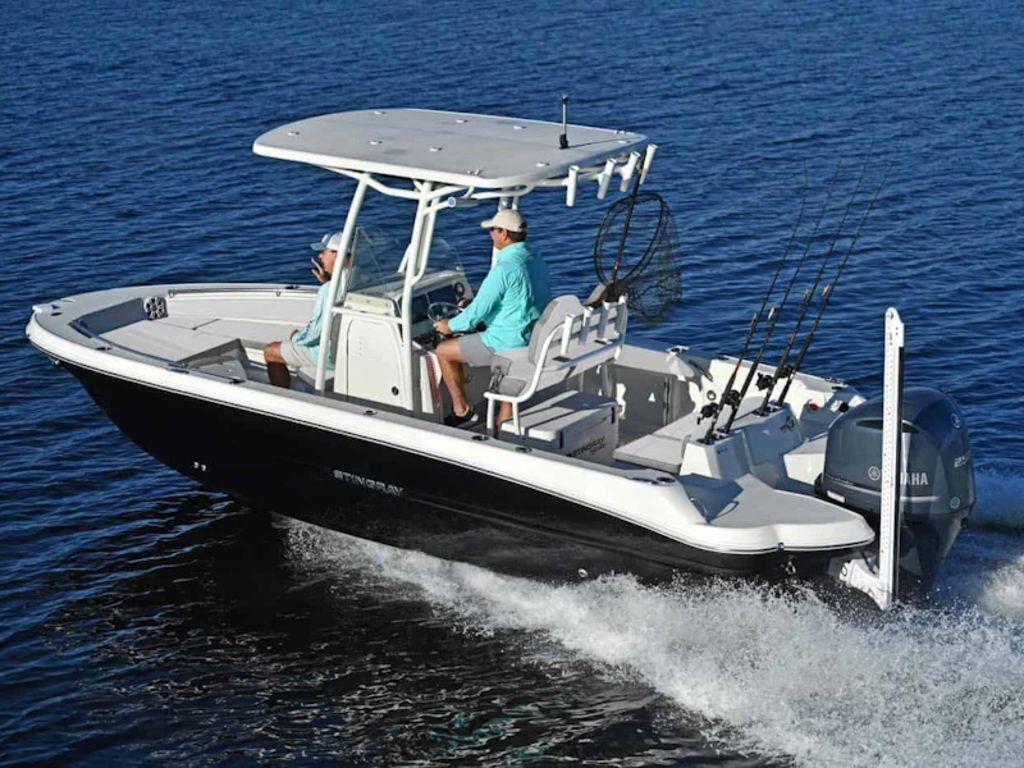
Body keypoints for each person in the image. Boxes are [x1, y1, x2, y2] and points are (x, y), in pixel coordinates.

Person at [432, 209, 551, 428]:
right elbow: (519, 299)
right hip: (532, 337)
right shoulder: (536, 259)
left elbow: (472, 317)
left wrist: (449, 325)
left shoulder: (504, 269)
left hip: (505, 342)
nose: (490, 234)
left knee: (443, 351)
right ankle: (503, 423)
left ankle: (461, 410)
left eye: (493, 230)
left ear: (504, 233)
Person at [264, 231, 349, 388]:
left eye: (324, 252)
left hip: (332, 355)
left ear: (337, 254)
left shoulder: (329, 290)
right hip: (352, 348)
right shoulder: (363, 279)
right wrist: (328, 282)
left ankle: (282, 394)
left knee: (271, 351)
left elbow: (313, 334)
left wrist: (295, 337)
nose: (320, 256)